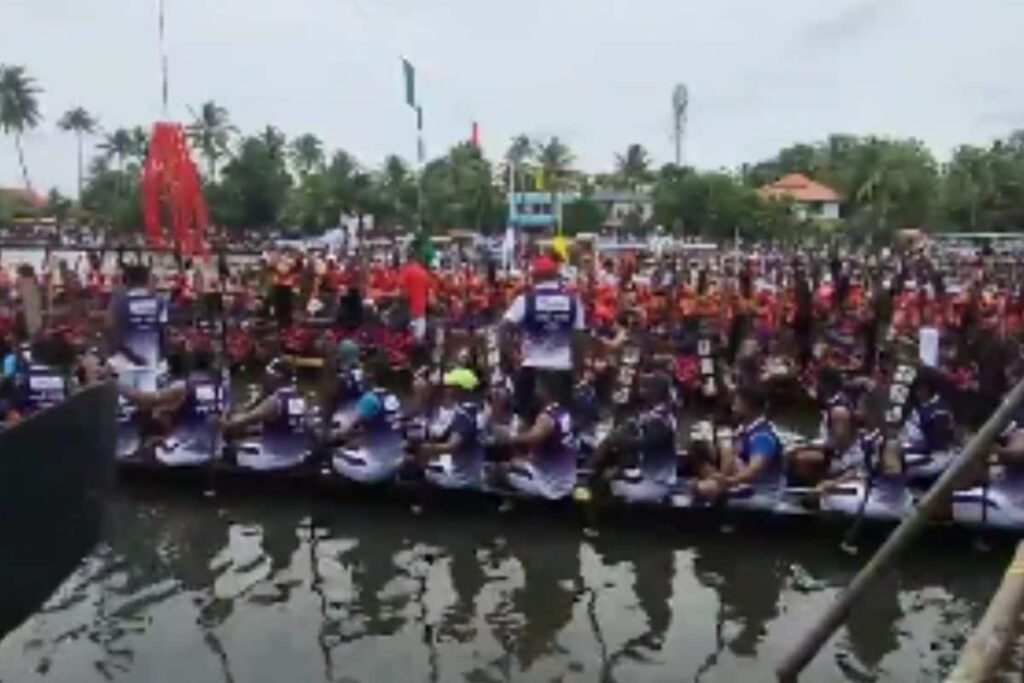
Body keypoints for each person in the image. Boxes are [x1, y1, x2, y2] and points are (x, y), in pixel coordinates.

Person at [501, 254, 586, 420]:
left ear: (534, 276)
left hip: (532, 367)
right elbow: (579, 337)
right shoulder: (573, 300)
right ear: (555, 275)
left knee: (527, 420)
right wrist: (578, 369)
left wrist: (511, 355)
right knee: (560, 421)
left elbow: (503, 328)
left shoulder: (525, 300)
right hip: (562, 368)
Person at [120, 350, 223, 466]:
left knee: (141, 453)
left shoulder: (184, 387)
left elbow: (144, 401)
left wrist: (117, 385)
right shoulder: (218, 386)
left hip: (186, 455)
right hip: (212, 453)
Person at [590, 372, 678, 503]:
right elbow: (635, 423)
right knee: (611, 447)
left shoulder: (662, 420)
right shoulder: (658, 412)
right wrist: (620, 432)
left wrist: (616, 440)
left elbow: (642, 443)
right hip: (647, 473)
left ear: (657, 391)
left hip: (656, 482)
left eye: (647, 387)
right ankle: (587, 472)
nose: (642, 390)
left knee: (606, 481)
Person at [692, 384, 785, 508]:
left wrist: (728, 482)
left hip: (763, 495)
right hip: (744, 488)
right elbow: (733, 462)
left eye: (737, 403)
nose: (733, 408)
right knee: (697, 487)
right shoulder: (743, 431)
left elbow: (753, 471)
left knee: (705, 492)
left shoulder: (762, 436)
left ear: (749, 406)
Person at [494, 373, 578, 500]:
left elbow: (532, 438)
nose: (535, 390)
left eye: (538, 387)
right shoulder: (564, 412)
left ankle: (513, 505)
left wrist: (509, 436)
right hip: (566, 479)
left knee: (500, 469)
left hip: (550, 484)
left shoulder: (546, 417)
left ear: (546, 390)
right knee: (518, 460)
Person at [217, 357, 311, 470]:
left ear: (278, 377)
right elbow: (288, 426)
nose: (265, 378)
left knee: (229, 451)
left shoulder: (274, 401)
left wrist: (222, 418)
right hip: (297, 457)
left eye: (269, 375)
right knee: (252, 442)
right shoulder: (301, 400)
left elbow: (234, 423)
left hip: (275, 460)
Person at [325, 357, 405, 484]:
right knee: (354, 445)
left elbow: (344, 431)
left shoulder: (370, 399)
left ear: (371, 375)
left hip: (376, 466)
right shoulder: (393, 397)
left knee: (332, 455)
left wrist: (330, 437)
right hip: (396, 461)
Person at [408, 367, 485, 490]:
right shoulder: (476, 409)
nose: (447, 389)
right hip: (470, 471)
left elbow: (452, 446)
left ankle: (421, 502)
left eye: (450, 386)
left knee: (414, 464)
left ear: (460, 389)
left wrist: (426, 449)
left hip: (460, 477)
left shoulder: (465, 413)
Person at [788, 368, 858, 485]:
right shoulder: (826, 403)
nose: (812, 386)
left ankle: (808, 489)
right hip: (828, 451)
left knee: (796, 456)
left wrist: (807, 445)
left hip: (842, 460)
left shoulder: (839, 410)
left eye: (814, 382)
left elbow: (837, 444)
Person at [108, 263, 168, 392]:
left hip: (124, 362)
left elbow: (111, 331)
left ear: (127, 280)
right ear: (147, 280)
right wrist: (161, 357)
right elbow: (163, 332)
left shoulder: (119, 302)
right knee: (148, 402)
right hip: (150, 361)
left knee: (125, 404)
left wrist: (128, 355)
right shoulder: (160, 301)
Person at [901, 368, 957, 482]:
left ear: (925, 387)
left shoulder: (939, 412)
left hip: (936, 458)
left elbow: (936, 445)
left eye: (916, 387)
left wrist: (904, 449)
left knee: (896, 466)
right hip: (917, 451)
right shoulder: (918, 406)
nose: (913, 392)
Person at [399, 254, 431, 344]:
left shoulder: (406, 270)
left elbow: (401, 291)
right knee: (418, 337)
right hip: (421, 309)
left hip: (408, 309)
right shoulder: (424, 273)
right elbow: (428, 292)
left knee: (408, 336)